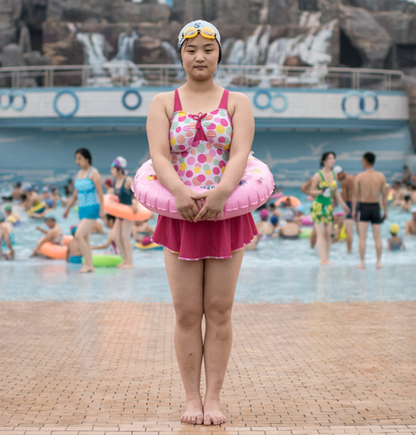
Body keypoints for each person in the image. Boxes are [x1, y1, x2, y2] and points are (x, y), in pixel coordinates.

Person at [145, 19, 259, 426]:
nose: (199, 56)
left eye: (207, 49)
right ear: (180, 53)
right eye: (191, 49)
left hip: (226, 213)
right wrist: (178, 192)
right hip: (181, 215)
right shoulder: (163, 102)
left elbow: (240, 153)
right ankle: (191, 400)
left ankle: (214, 399)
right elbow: (159, 156)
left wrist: (222, 192)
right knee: (187, 312)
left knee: (220, 309)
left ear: (218, 54)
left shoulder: (236, 102)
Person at [302, 152, 351, 265]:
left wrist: (343, 205)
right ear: (324, 161)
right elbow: (311, 191)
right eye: (330, 158)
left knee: (329, 233)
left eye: (333, 158)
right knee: (321, 233)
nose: (332, 160)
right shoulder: (318, 175)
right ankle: (322, 259)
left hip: (329, 207)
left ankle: (327, 258)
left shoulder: (334, 175)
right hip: (319, 206)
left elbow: (336, 192)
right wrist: (320, 191)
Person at [63, 148, 104, 273]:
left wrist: (103, 210)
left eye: (80, 158)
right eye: (76, 159)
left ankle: (89, 265)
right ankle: (89, 265)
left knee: (79, 235)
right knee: (85, 239)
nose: (77, 161)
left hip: (92, 208)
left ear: (87, 159)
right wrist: (67, 209)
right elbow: (75, 195)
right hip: (81, 209)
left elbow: (100, 193)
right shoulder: (79, 174)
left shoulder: (93, 173)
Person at [353, 152, 388, 269]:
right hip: (375, 207)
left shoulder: (359, 176)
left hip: (364, 207)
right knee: (377, 237)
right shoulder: (381, 176)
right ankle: (379, 262)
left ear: (365, 161)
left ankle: (362, 262)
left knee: (362, 237)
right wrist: (386, 210)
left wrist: (353, 210)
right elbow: (384, 196)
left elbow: (355, 196)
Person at [111, 156, 137, 269]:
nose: (111, 171)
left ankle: (130, 262)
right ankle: (125, 260)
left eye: (112, 169)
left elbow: (136, 193)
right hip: (120, 212)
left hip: (128, 211)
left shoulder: (127, 180)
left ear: (119, 169)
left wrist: (135, 204)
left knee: (125, 237)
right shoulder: (116, 181)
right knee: (116, 237)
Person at [340, 169, 356, 253]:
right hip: (360, 203)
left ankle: (349, 250)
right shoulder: (354, 176)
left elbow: (345, 198)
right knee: (360, 229)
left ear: (340, 174)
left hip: (350, 204)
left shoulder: (344, 182)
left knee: (349, 230)